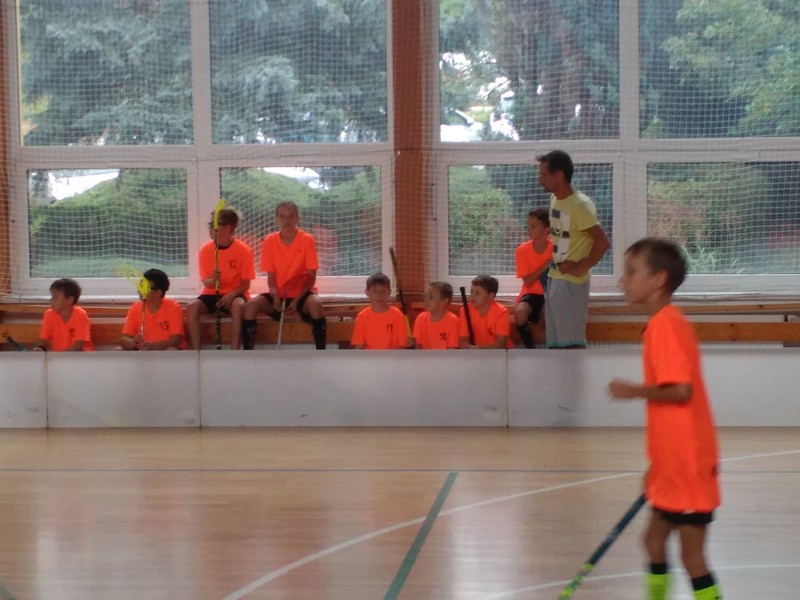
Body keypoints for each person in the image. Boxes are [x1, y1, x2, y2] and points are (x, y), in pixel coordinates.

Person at [608, 238, 722, 600]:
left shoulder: (666, 326)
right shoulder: (662, 323)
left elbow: (681, 391)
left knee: (692, 557)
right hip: (674, 464)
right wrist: (658, 466)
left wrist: (633, 390)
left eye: (631, 272)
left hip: (688, 466)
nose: (622, 281)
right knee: (653, 542)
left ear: (658, 279)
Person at [537, 150, 609, 348]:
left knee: (571, 344)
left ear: (559, 175)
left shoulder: (580, 205)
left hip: (571, 284)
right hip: (555, 278)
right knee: (555, 344)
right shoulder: (555, 200)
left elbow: (602, 242)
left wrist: (580, 267)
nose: (540, 179)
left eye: (544, 174)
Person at [241, 201, 326, 350]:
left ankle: (321, 352)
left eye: (291, 216)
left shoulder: (307, 240)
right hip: (278, 295)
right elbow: (271, 275)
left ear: (297, 218)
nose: (286, 220)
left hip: (301, 294)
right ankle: (248, 354)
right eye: (282, 216)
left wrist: (297, 300)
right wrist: (274, 295)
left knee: (316, 304)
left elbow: (311, 276)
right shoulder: (269, 241)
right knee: (250, 306)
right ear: (276, 219)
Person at [186, 207, 255, 350]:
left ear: (227, 228)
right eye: (210, 225)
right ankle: (197, 353)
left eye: (213, 225)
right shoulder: (206, 250)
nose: (210, 228)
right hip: (212, 293)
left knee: (238, 306)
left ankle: (234, 352)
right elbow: (206, 283)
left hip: (235, 294)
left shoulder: (244, 251)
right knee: (192, 307)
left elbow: (245, 285)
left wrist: (231, 295)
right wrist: (213, 281)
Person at [514, 207, 553, 348]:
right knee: (520, 312)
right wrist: (545, 265)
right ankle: (530, 349)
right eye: (528, 225)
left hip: (551, 293)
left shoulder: (556, 248)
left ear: (546, 229)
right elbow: (528, 282)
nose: (529, 229)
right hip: (530, 294)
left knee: (547, 318)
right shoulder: (522, 250)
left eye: (534, 226)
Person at [120, 269, 185, 351]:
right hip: (143, 351)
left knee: (171, 350)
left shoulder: (173, 308)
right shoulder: (135, 308)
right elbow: (124, 338)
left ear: (158, 292)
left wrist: (154, 346)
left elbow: (176, 341)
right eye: (140, 286)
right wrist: (132, 342)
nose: (139, 291)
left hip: (164, 352)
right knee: (119, 350)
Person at [351, 272, 411, 350]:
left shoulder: (398, 315)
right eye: (375, 291)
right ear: (367, 292)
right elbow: (359, 346)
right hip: (369, 357)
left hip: (392, 357)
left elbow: (402, 346)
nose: (379, 295)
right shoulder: (362, 317)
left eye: (383, 291)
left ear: (389, 292)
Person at [36, 278, 94, 351]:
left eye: (55, 297)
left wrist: (61, 356)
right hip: (59, 356)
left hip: (81, 356)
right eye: (52, 296)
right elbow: (43, 340)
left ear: (69, 300)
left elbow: (79, 345)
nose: (51, 300)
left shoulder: (80, 315)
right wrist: (39, 348)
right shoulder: (49, 314)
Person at [458, 274, 511, 349]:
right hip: (475, 353)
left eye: (478, 293)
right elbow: (462, 340)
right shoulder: (465, 311)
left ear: (491, 296)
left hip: (501, 353)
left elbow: (501, 344)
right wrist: (470, 348)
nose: (472, 296)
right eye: (471, 292)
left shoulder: (501, 312)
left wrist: (480, 350)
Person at [412, 281, 459, 350]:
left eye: (431, 297)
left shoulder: (453, 320)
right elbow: (418, 347)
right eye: (426, 296)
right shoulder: (421, 318)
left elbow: (451, 349)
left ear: (444, 301)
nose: (426, 300)